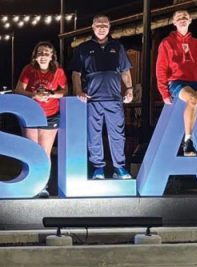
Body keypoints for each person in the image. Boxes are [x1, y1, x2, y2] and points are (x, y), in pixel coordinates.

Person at [70, 15, 135, 180]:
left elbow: (125, 71)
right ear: (92, 27)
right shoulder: (83, 48)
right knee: (94, 135)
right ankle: (98, 168)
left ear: (109, 26)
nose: (101, 27)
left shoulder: (117, 46)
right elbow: (76, 74)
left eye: (105, 24)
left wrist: (129, 89)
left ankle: (119, 168)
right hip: (92, 99)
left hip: (114, 99)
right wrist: (78, 91)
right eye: (98, 25)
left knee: (118, 135)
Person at [156, 10, 197, 158]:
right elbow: (160, 68)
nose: (182, 19)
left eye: (185, 17)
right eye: (178, 17)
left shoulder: (196, 43)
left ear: (190, 20)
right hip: (176, 81)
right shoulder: (166, 43)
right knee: (193, 97)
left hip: (195, 81)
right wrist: (164, 92)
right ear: (174, 22)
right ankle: (187, 140)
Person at [14, 41, 68, 197]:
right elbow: (18, 89)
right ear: (35, 56)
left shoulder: (58, 71)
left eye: (47, 53)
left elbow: (64, 91)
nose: (43, 56)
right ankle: (30, 184)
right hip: (30, 114)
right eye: (40, 53)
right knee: (31, 151)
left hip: (50, 114)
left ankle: (42, 186)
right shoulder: (29, 70)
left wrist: (50, 94)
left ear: (52, 56)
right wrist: (34, 95)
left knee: (44, 152)